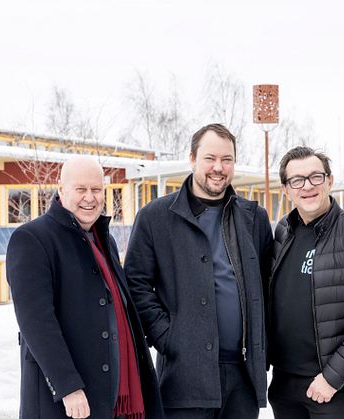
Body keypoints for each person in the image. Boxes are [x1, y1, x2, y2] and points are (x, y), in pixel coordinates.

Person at [124, 123, 274, 419]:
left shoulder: (253, 218)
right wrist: (168, 337)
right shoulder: (155, 218)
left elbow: (269, 287)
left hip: (242, 376)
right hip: (183, 378)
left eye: (227, 159)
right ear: (192, 159)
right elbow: (135, 286)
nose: (218, 168)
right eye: (210, 158)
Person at [6, 156, 163, 419]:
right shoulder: (32, 239)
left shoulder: (105, 240)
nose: (89, 198)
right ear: (61, 190)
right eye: (81, 189)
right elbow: (37, 323)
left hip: (111, 399)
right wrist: (69, 387)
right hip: (65, 403)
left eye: (96, 189)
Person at [268, 146, 344, 419]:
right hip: (283, 382)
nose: (307, 186)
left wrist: (333, 378)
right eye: (297, 180)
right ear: (286, 189)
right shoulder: (282, 232)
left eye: (316, 177)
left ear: (330, 181)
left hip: (326, 387)